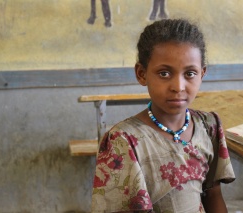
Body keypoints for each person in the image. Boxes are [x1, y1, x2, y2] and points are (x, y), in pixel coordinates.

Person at [91, 18, 235, 213]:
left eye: (190, 73)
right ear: (142, 74)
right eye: (164, 73)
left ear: (202, 73)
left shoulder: (208, 126)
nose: (178, 87)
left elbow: (213, 194)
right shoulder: (123, 141)